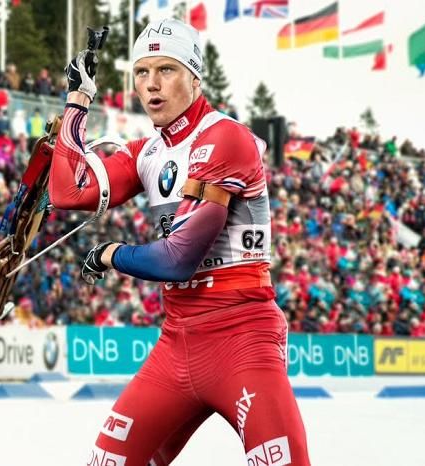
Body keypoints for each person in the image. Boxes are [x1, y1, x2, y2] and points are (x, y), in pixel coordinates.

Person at [49, 19, 310, 465]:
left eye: (166, 70)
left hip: (241, 337)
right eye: (142, 72)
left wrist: (110, 253)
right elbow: (67, 193)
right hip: (177, 343)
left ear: (194, 76)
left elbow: (179, 259)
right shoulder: (147, 152)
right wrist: (78, 102)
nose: (152, 84)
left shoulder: (225, 137)